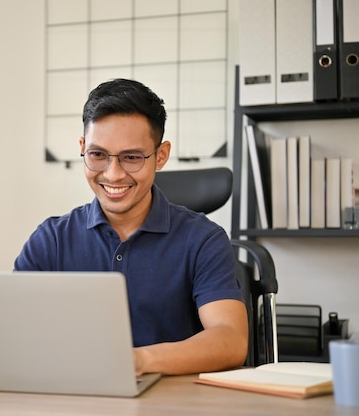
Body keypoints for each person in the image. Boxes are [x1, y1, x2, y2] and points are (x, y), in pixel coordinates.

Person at [14, 78, 248, 376]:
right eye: (98, 155)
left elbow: (231, 341)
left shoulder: (204, 240)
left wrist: (138, 361)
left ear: (160, 156)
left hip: (173, 403)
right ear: (83, 148)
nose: (113, 174)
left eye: (132, 157)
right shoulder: (51, 239)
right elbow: (14, 332)